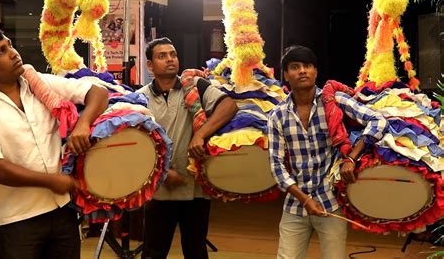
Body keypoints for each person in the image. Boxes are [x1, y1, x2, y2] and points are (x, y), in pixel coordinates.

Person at [0, 26, 108, 259]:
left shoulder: (39, 84)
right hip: (18, 221)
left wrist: (83, 123)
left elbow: (98, 92)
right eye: (1, 52)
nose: (13, 53)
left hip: (63, 212)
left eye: (10, 45)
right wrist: (51, 181)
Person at [267, 45, 388, 259]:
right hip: (296, 205)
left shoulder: (334, 101)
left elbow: (378, 120)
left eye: (308, 66)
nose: (302, 71)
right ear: (285, 75)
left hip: (331, 203)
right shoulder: (277, 116)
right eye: (295, 67)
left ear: (316, 71)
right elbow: (276, 166)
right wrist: (304, 199)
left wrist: (352, 157)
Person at [137, 37, 237, 259]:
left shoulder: (195, 87)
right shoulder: (140, 98)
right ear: (150, 66)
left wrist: (200, 134)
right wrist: (161, 171)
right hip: (159, 190)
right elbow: (137, 143)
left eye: (173, 54)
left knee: (196, 251)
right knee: (153, 252)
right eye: (162, 56)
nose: (170, 59)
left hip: (195, 189)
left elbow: (229, 106)